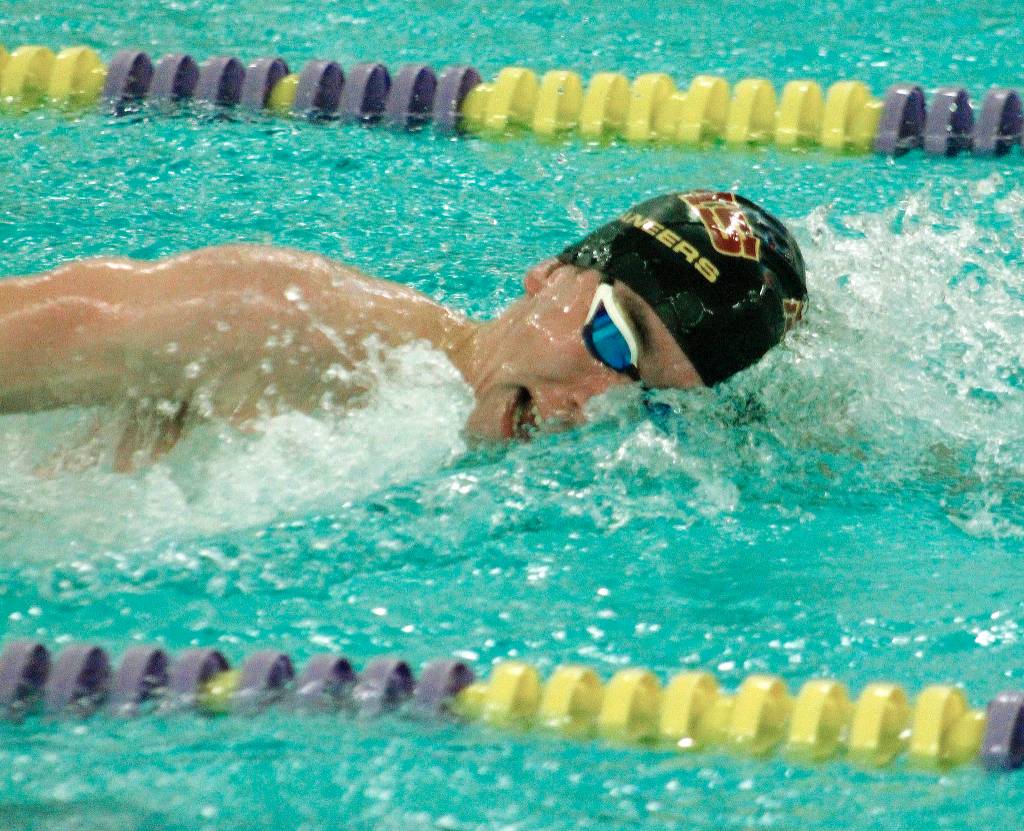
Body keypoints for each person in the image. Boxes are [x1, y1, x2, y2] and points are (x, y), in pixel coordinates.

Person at [0, 190, 807, 469]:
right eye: (612, 339)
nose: (594, 403)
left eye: (649, 396)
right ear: (550, 274)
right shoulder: (282, 324)